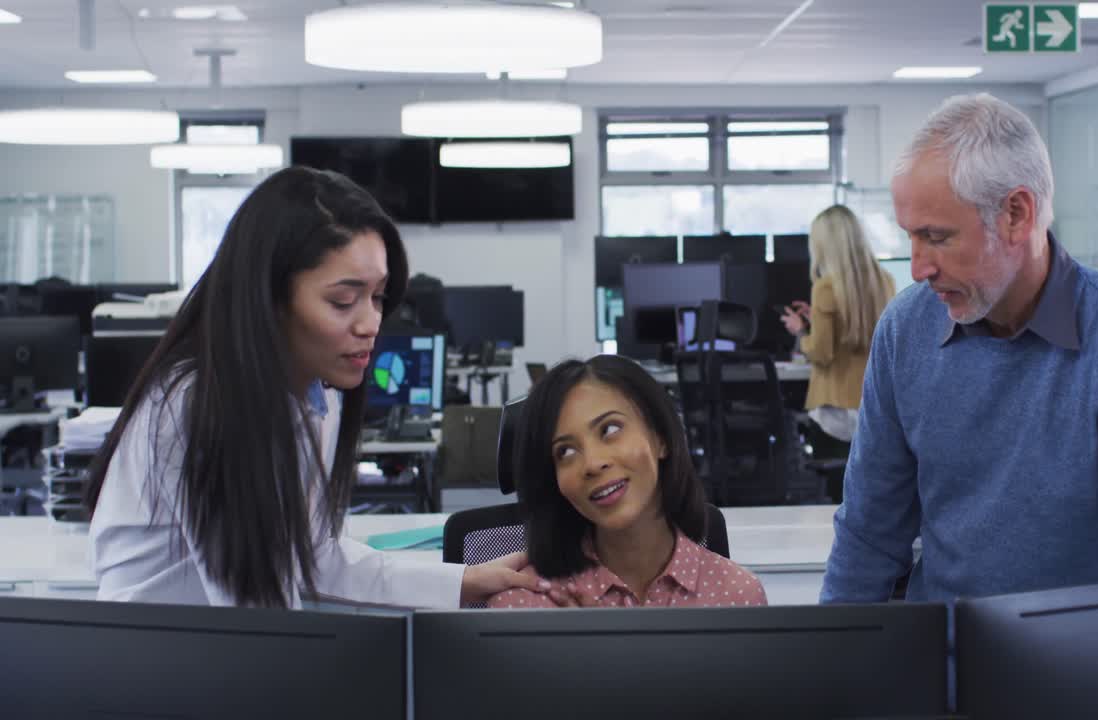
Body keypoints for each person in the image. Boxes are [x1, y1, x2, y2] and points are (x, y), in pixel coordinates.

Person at [85, 166, 549, 609]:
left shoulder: (317, 393)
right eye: (343, 300)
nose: (371, 323)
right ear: (268, 299)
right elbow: (257, 615)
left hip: (211, 659)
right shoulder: (204, 406)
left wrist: (466, 582)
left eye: (378, 297)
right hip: (158, 667)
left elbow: (316, 557)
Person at [821, 93, 1098, 604]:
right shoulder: (906, 329)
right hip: (944, 660)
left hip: (1089, 666)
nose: (918, 267)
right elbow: (870, 533)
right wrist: (834, 677)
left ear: (1016, 213)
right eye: (910, 238)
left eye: (936, 237)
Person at [488, 355, 767, 609]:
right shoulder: (525, 602)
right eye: (566, 451)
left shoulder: (737, 596)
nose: (594, 463)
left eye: (610, 429)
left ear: (661, 439)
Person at [782, 205, 897, 445]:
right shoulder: (885, 281)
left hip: (834, 413)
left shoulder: (825, 287)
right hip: (875, 407)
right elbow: (863, 327)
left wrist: (801, 330)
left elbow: (821, 354)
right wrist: (819, 319)